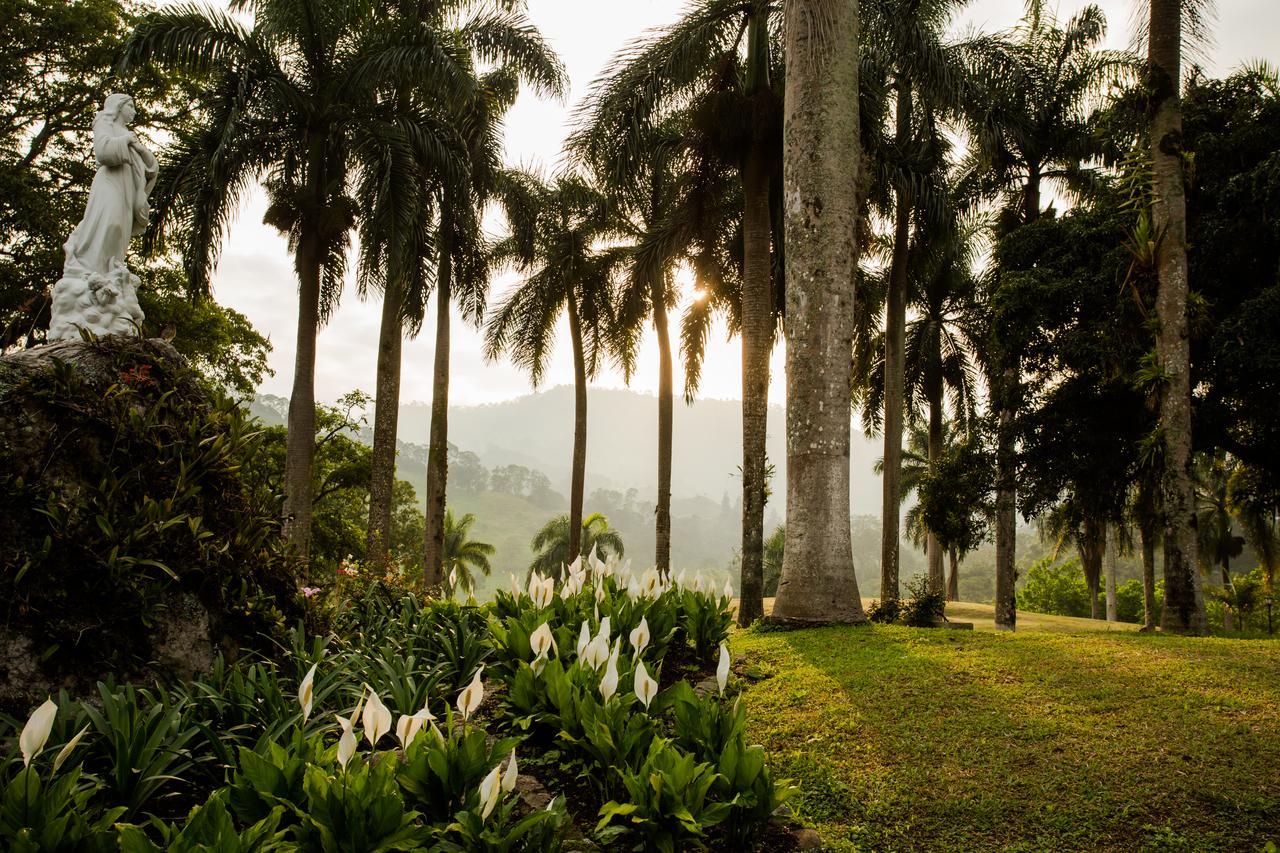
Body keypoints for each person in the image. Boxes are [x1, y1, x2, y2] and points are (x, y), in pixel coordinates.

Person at [63, 93, 158, 279]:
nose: (134, 111)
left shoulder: (131, 134)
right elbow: (103, 152)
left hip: (127, 186)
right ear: (118, 106)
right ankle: (89, 270)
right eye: (130, 106)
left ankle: (111, 273)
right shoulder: (104, 122)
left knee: (120, 231)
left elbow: (152, 168)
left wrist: (138, 147)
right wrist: (126, 142)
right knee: (109, 222)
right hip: (110, 181)